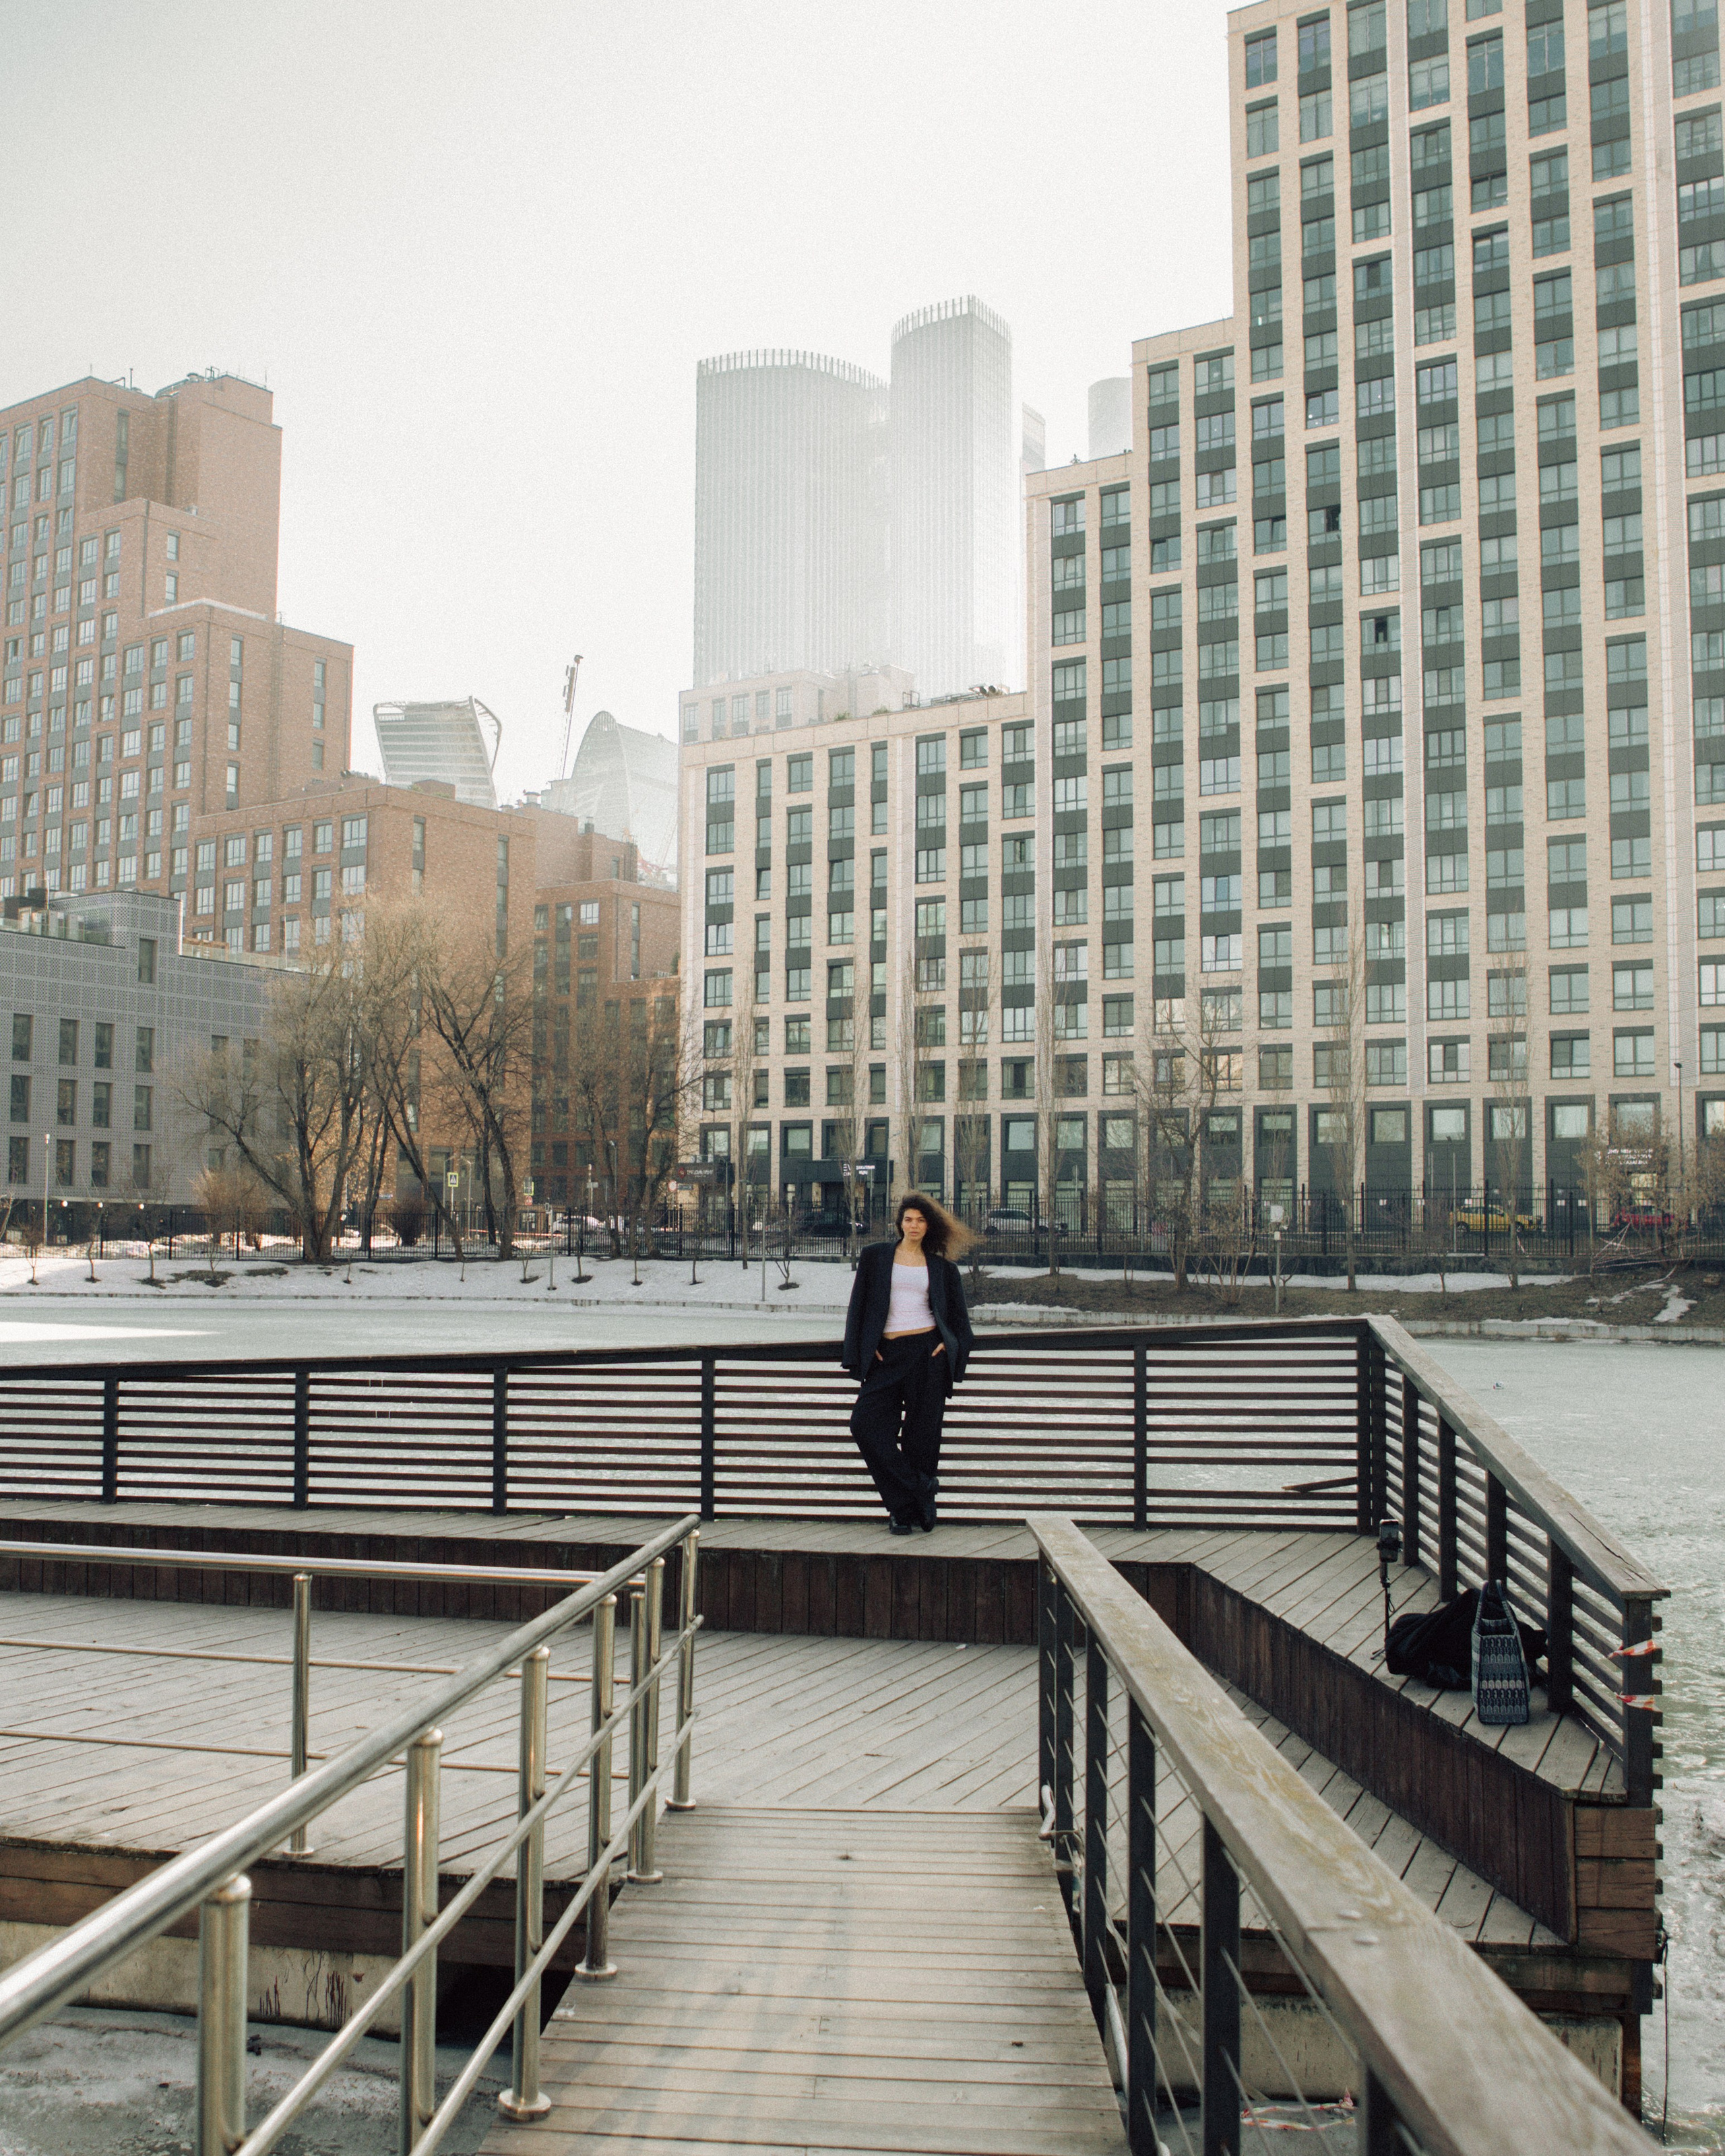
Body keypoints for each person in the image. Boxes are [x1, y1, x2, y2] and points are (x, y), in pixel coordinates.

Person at [840, 1192, 974, 1534]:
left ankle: (906, 1512)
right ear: (900, 1223)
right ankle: (919, 1489)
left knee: (922, 1437)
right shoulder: (875, 1257)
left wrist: (948, 1346)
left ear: (930, 1226)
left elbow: (960, 1322)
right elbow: (858, 1308)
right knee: (864, 1425)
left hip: (927, 1356)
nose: (914, 1226)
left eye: (921, 1220)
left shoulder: (943, 1269)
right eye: (909, 1219)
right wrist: (861, 1352)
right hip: (886, 1355)